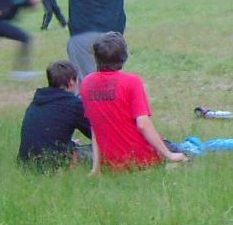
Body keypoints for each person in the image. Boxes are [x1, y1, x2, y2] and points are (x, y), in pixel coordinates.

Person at [80, 32, 186, 171]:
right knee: (189, 150)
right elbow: (143, 124)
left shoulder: (87, 83)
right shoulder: (132, 82)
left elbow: (95, 126)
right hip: (143, 158)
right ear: (124, 56)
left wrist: (96, 168)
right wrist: (169, 155)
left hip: (114, 163)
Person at [18, 60, 92, 170]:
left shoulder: (36, 102)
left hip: (26, 164)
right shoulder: (73, 104)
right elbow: (96, 134)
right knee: (102, 153)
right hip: (54, 164)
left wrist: (70, 143)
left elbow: (46, 134)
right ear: (71, 82)